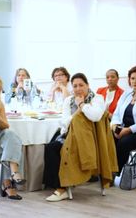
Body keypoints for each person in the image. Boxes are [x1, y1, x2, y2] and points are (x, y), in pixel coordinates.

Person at [44, 73, 106, 202]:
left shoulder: (97, 98)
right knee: (50, 147)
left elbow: (95, 116)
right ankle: (60, 186)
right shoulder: (69, 100)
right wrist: (76, 113)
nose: (78, 89)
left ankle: (61, 188)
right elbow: (64, 122)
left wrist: (82, 105)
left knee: (54, 148)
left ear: (88, 85)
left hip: (88, 140)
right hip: (69, 135)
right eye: (75, 86)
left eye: (81, 85)